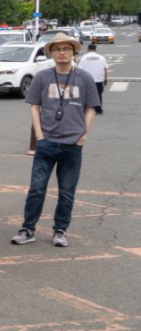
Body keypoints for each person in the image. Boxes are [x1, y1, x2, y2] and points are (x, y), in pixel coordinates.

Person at [12, 33, 100, 248]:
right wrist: (40, 135)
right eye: (57, 49)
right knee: (36, 189)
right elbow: (35, 106)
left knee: (67, 191)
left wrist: (83, 135)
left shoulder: (84, 78)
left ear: (73, 52)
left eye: (66, 49)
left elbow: (91, 109)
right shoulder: (43, 77)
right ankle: (28, 229)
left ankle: (60, 230)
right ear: (51, 52)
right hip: (47, 141)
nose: (62, 52)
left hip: (72, 143)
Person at [77, 43, 109, 115]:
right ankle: (98, 110)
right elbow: (105, 68)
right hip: (99, 79)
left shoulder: (84, 57)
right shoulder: (101, 57)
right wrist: (105, 78)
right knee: (98, 95)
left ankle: (86, 109)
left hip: (86, 80)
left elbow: (79, 69)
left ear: (88, 49)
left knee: (86, 95)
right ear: (95, 49)